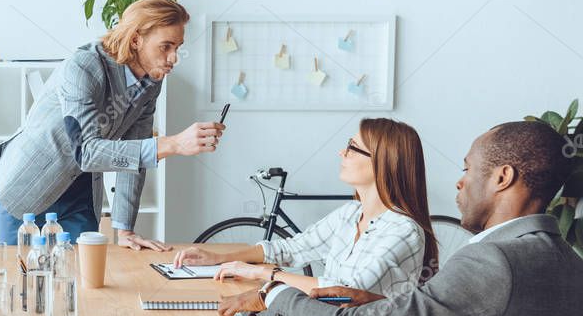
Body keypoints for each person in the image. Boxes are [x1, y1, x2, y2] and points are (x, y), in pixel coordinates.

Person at [219, 120, 583, 316]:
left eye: (467, 169)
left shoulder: (494, 261)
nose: (460, 183)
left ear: (502, 178)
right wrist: (383, 303)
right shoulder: (564, 259)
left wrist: (272, 294)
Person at [0, 0, 225, 249]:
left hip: (80, 193)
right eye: (166, 46)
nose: (173, 58)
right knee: (19, 280)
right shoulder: (84, 66)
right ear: (136, 39)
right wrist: (173, 144)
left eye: (177, 47)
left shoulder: (151, 82)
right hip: (30, 185)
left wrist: (125, 230)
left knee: (84, 280)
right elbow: (86, 151)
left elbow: (137, 152)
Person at [175, 118, 437, 295]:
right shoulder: (351, 214)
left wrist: (265, 274)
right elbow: (292, 248)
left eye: (353, 148)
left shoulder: (402, 230)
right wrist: (219, 258)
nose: (342, 153)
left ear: (383, 162)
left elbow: (343, 291)